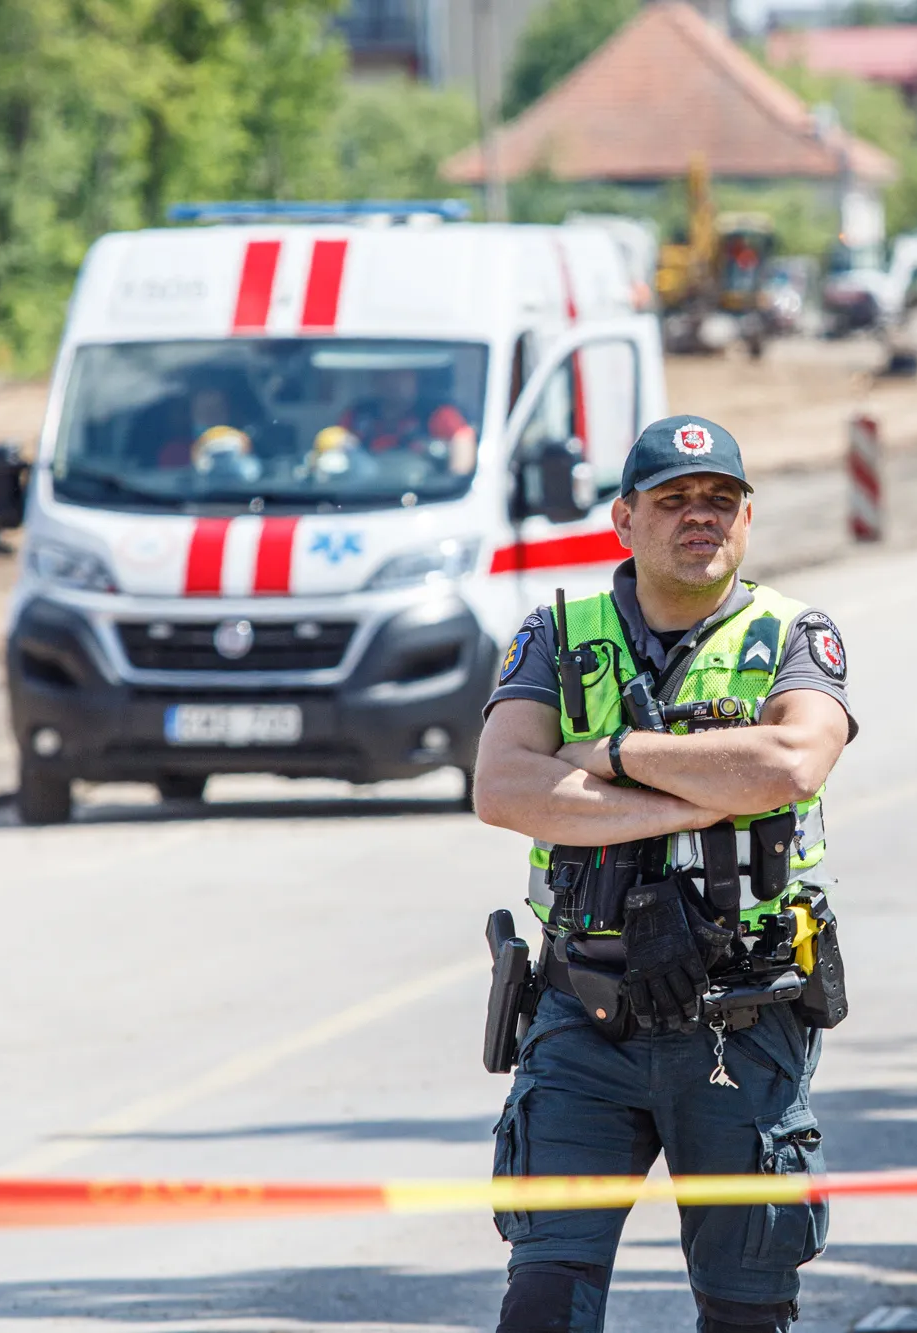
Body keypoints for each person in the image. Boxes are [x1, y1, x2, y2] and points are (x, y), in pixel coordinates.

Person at [474, 414, 856, 1333]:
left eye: (719, 500)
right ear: (624, 519)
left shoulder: (792, 633)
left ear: (747, 517)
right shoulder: (558, 632)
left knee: (745, 1311)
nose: (700, 517)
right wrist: (699, 795)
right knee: (541, 1301)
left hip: (741, 1023)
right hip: (583, 1020)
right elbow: (503, 782)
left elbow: (794, 761)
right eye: (674, 500)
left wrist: (607, 752)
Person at [342, 366, 476, 467]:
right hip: (364, 492)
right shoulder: (359, 413)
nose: (392, 383)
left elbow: (463, 438)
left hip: (423, 493)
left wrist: (454, 486)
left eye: (401, 376)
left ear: (415, 379)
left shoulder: (437, 412)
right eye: (384, 376)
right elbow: (337, 442)